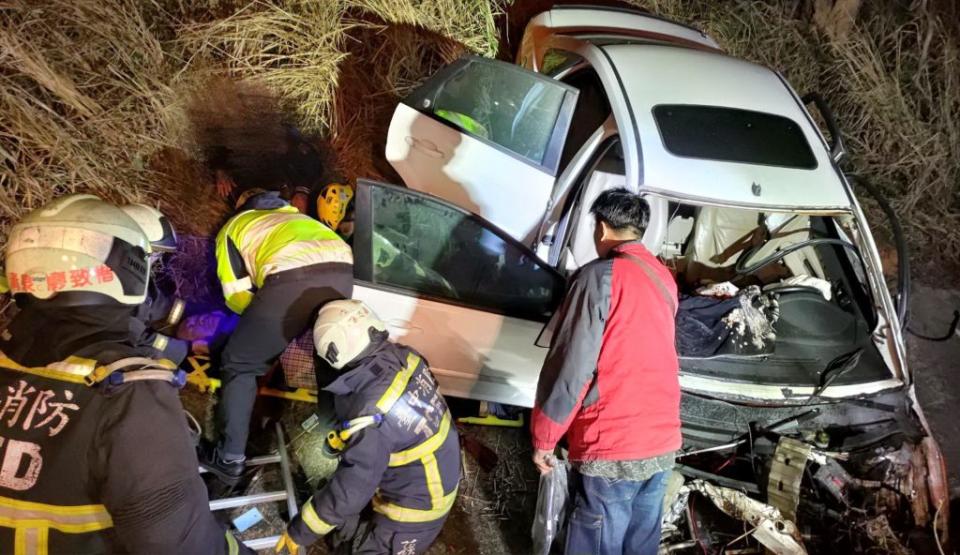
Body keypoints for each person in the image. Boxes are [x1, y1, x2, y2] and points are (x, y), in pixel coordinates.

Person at [0, 194, 250, 554]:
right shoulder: (127, 393)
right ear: (127, 262)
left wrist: (197, 323)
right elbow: (180, 540)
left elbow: (160, 315)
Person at [531, 188, 681, 555]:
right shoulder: (664, 278)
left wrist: (545, 437)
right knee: (639, 544)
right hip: (662, 442)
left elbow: (572, 366)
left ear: (600, 228)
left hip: (613, 444)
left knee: (597, 543)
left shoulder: (596, 278)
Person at [275, 300, 460, 555]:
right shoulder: (406, 357)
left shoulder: (371, 416)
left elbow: (351, 490)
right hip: (434, 475)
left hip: (414, 514)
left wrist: (300, 532)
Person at [199, 188, 353, 483]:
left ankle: (229, 459)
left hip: (290, 276)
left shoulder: (234, 227)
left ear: (243, 205)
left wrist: (258, 326)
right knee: (326, 357)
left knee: (240, 363)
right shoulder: (294, 219)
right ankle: (335, 437)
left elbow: (236, 296)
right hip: (343, 267)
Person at [120, 203, 191, 365]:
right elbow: (129, 334)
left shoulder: (139, 279)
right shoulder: (118, 282)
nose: (157, 259)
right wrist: (181, 348)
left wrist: (191, 316)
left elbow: (160, 305)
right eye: (156, 252)